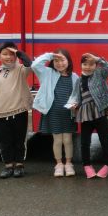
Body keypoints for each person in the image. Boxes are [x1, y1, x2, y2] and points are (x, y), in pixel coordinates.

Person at [0, 42, 33, 179]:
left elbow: (30, 63)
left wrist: (18, 52)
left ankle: (19, 165)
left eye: (11, 54)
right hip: (0, 114)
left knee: (19, 141)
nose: (8, 57)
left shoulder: (21, 70)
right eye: (5, 54)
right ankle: (8, 165)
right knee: (4, 142)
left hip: (19, 112)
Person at [32, 49, 79, 177]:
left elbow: (77, 95)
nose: (59, 63)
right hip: (53, 113)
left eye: (62, 60)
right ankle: (58, 164)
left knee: (68, 140)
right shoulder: (48, 73)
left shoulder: (75, 77)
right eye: (56, 61)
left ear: (69, 61)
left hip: (68, 114)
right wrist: (49, 55)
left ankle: (68, 163)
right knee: (57, 140)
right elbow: (35, 65)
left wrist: (76, 104)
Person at [67, 53, 108, 179]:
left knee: (105, 141)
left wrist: (97, 59)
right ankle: (87, 166)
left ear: (96, 65)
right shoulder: (78, 80)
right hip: (85, 114)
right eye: (85, 64)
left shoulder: (99, 74)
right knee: (85, 142)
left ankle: (107, 165)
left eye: (91, 64)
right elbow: (75, 96)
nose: (87, 67)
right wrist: (73, 104)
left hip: (100, 112)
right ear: (81, 65)